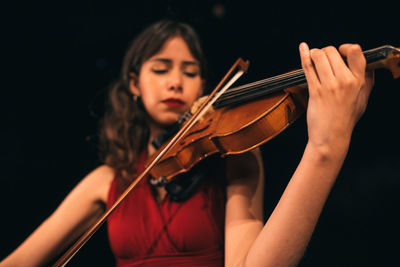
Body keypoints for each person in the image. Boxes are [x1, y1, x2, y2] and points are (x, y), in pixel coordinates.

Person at [1, 19, 374, 267]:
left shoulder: (233, 157)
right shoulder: (107, 180)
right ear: (134, 84)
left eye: (190, 72)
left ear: (203, 88)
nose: (176, 82)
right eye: (161, 69)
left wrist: (324, 148)